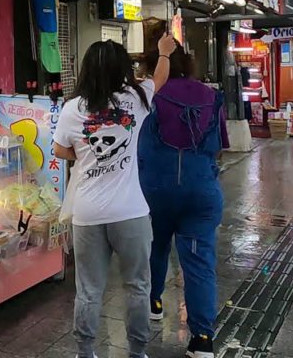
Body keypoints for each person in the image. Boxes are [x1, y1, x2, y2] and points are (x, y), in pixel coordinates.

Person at [53, 34, 176, 358]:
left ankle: (85, 352)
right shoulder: (135, 98)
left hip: (87, 214)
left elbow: (59, 148)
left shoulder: (72, 108)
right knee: (137, 287)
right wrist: (164, 52)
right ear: (122, 67)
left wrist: (84, 155)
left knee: (89, 290)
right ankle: (137, 352)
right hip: (131, 212)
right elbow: (160, 77)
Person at [137, 46, 228, 358]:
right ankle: (202, 339)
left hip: (157, 190)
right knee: (199, 262)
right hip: (201, 192)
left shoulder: (151, 97)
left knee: (157, 246)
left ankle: (155, 302)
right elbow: (219, 147)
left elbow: (141, 148)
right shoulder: (212, 97)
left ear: (155, 67)